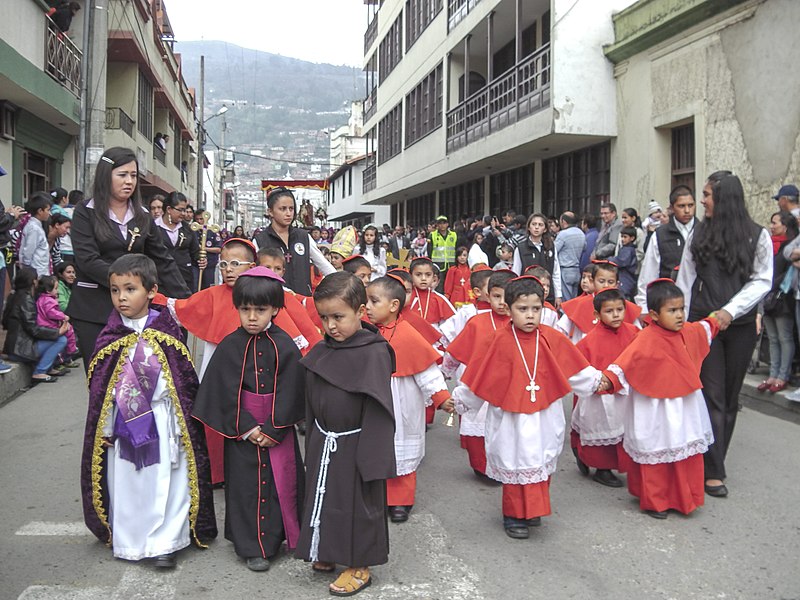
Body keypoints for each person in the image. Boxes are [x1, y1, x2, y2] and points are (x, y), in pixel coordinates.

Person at [80, 254, 217, 567]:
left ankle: (166, 542)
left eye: (130, 289)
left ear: (152, 291)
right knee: (130, 484)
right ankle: (132, 541)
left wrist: (184, 422)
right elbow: (100, 394)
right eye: (115, 290)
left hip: (164, 420)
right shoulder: (110, 338)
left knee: (168, 483)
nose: (121, 297)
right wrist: (104, 428)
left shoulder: (168, 334)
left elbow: (184, 384)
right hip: (125, 425)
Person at [453, 276, 609, 539]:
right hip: (510, 417)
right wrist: (459, 401)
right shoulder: (497, 340)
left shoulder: (552, 339)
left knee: (539, 458)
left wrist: (600, 381)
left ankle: (533, 509)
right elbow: (479, 379)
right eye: (522, 309)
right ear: (509, 308)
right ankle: (514, 514)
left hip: (544, 414)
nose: (530, 316)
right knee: (516, 460)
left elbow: (576, 370)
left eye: (536, 309)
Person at [193, 267, 305, 572]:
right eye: (245, 309)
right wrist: (246, 427)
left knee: (280, 486)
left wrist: (274, 428)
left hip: (276, 427)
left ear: (276, 309)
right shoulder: (230, 345)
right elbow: (220, 391)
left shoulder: (285, 345)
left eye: (260, 309)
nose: (252, 317)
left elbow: (294, 390)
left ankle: (281, 538)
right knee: (246, 489)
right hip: (241, 429)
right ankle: (251, 546)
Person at [295, 272, 395, 597]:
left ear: (360, 312)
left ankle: (359, 565)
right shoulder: (325, 348)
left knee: (357, 505)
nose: (330, 326)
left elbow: (379, 410)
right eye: (324, 318)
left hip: (357, 443)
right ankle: (328, 549)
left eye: (338, 317)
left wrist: (372, 458)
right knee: (325, 497)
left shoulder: (374, 352)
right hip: (325, 438)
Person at [676, 171, 772, 498]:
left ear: (724, 198)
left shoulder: (756, 236)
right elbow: (685, 281)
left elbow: (762, 280)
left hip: (741, 326)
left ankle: (715, 460)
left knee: (730, 398)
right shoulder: (698, 234)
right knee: (712, 395)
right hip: (704, 326)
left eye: (706, 195)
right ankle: (713, 471)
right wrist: (678, 321)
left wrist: (732, 310)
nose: (701, 200)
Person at [603, 280, 719, 518]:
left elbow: (706, 328)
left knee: (683, 447)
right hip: (653, 407)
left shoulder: (688, 331)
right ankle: (656, 501)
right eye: (672, 310)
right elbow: (624, 365)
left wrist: (717, 318)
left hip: (684, 405)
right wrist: (605, 381)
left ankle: (684, 497)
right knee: (655, 448)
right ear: (654, 315)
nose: (679, 316)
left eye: (681, 309)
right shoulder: (645, 338)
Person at [67, 147, 191, 368]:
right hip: (93, 309)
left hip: (136, 309)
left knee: (135, 381)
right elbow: (88, 260)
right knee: (102, 381)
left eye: (133, 176)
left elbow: (162, 259)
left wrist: (185, 299)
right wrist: (129, 284)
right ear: (106, 175)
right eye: (122, 175)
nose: (129, 181)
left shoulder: (142, 216)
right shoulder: (85, 212)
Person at [366, 275, 453, 523]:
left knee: (402, 452)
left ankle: (401, 501)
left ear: (393, 305)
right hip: (373, 402)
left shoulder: (408, 334)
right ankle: (377, 496)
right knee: (375, 450)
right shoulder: (364, 331)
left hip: (402, 402)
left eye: (374, 301)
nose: (368, 307)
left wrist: (442, 397)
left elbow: (427, 372)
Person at [443, 270, 514, 477]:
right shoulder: (476, 321)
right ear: (487, 295)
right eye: (497, 296)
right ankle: (482, 467)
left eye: (506, 297)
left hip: (508, 386)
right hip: (478, 383)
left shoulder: (518, 322)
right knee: (478, 424)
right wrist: (443, 373)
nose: (502, 302)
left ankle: (502, 466)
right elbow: (456, 352)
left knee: (505, 429)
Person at [571, 288, 638, 487]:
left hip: (626, 391)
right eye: (609, 311)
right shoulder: (588, 341)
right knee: (602, 428)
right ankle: (602, 468)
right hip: (601, 397)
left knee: (624, 428)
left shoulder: (634, 332)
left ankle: (620, 463)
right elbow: (579, 369)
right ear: (597, 314)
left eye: (620, 309)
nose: (616, 315)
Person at [253, 187, 335, 295]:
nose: (288, 213)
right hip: (273, 301)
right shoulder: (260, 240)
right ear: (270, 212)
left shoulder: (303, 237)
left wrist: (341, 281)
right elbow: (255, 274)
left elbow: (323, 264)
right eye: (283, 209)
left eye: (291, 209)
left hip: (303, 301)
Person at [635, 186, 698, 310]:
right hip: (669, 302)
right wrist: (644, 306)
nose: (687, 210)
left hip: (699, 303)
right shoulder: (660, 235)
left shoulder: (704, 231)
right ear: (672, 208)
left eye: (690, 205)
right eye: (681, 206)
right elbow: (649, 273)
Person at [757, 212, 798, 393]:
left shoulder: (789, 245)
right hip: (767, 298)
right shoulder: (769, 245)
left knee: (784, 337)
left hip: (782, 299)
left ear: (785, 226)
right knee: (773, 338)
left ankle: (783, 376)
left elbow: (787, 271)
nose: (771, 226)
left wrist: (769, 284)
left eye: (775, 223)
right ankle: (773, 375)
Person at [2, 267, 68, 382]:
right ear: (33, 281)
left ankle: (48, 367)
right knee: (61, 340)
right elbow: (33, 329)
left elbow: (5, 323)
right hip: (21, 350)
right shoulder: (26, 299)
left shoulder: (14, 296)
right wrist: (57, 332)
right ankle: (40, 372)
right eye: (37, 279)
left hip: (12, 348)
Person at [557, 261, 642, 344]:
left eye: (610, 282)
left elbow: (638, 337)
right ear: (593, 281)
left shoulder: (626, 306)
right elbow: (560, 332)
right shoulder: (578, 305)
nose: (606, 285)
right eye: (601, 281)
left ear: (617, 284)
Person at [511, 213, 563, 307]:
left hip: (548, 295)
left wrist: (558, 295)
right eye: (534, 224)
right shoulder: (521, 248)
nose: (536, 227)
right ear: (529, 227)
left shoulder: (550, 247)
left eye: (540, 225)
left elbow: (556, 272)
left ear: (545, 229)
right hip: (527, 294)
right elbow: (516, 273)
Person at [157, 192, 201, 294]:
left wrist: (201, 259)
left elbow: (195, 252)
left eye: (185, 210)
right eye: (180, 210)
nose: (184, 214)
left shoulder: (187, 229)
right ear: (168, 209)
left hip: (184, 279)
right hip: (160, 280)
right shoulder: (153, 228)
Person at [35, 274, 78, 367]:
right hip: (49, 324)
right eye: (55, 288)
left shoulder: (43, 299)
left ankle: (67, 355)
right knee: (68, 332)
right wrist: (63, 316)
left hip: (46, 324)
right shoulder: (48, 300)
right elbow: (51, 312)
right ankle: (70, 352)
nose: (57, 291)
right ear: (48, 290)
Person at [409, 256, 455, 330]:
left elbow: (451, 325)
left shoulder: (439, 299)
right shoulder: (406, 297)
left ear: (433, 278)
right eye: (418, 275)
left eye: (428, 275)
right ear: (411, 276)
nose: (423, 278)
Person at [19, 192, 52, 276]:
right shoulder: (34, 228)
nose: (49, 213)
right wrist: (27, 268)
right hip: (37, 270)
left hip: (40, 269)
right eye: (48, 210)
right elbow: (29, 250)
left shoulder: (36, 226)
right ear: (40, 211)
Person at [555, 212, 585, 301]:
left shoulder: (563, 234)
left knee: (566, 301)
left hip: (565, 270)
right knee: (574, 300)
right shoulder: (581, 233)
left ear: (564, 221)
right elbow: (585, 247)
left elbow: (554, 250)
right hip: (576, 270)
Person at [192, 209, 221, 290]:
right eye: (197, 219)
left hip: (210, 265)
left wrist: (204, 248)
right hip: (196, 264)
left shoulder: (212, 230)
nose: (199, 221)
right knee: (196, 286)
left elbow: (219, 249)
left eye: (201, 219)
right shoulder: (194, 231)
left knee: (207, 287)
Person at [427, 215, 459, 290]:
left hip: (451, 265)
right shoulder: (432, 235)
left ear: (447, 224)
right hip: (438, 265)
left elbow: (457, 249)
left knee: (450, 286)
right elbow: (429, 250)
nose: (442, 225)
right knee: (439, 286)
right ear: (437, 225)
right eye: (440, 223)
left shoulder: (453, 235)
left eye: (444, 223)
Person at [611, 227, 639, 299]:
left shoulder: (628, 250)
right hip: (625, 276)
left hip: (626, 277)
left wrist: (609, 260)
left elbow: (622, 261)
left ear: (632, 238)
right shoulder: (626, 249)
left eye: (625, 237)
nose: (622, 239)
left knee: (623, 296)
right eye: (622, 237)